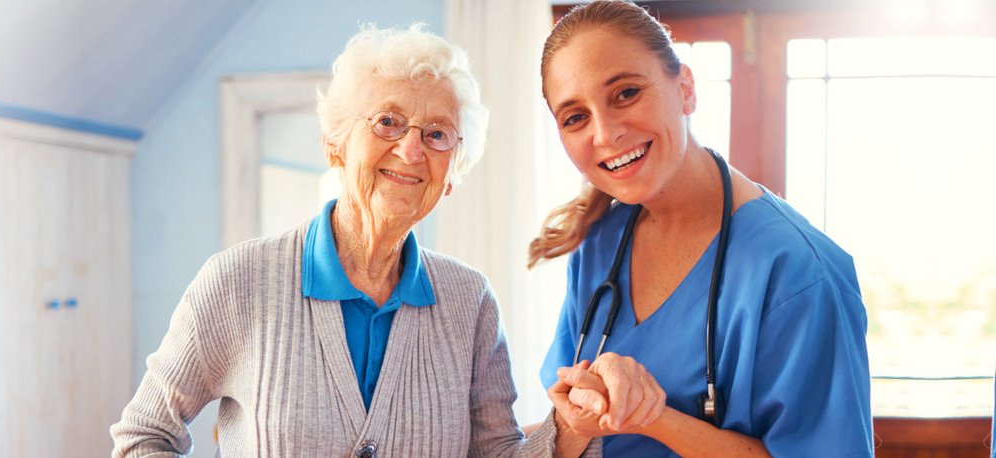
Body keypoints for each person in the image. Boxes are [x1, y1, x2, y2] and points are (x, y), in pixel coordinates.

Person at [111, 24, 585, 457]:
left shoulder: (470, 301)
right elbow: (144, 437)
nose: (411, 150)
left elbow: (495, 453)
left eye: (437, 134)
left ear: (451, 176)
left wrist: (574, 430)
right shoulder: (237, 282)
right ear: (335, 143)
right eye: (387, 122)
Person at [526, 1, 873, 456]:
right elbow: (573, 426)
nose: (605, 134)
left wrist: (654, 417)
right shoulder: (600, 245)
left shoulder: (798, 273)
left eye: (626, 93)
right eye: (576, 117)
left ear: (685, 88)